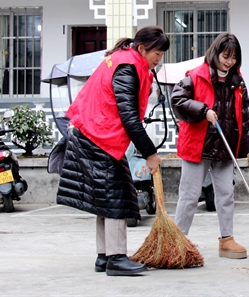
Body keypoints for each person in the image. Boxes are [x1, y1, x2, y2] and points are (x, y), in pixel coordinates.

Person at [57, 25, 170, 276]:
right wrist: (150, 154)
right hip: (97, 136)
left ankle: (104, 256)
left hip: (93, 133)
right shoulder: (127, 67)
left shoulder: (124, 60)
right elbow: (129, 117)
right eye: (157, 54)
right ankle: (116, 258)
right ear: (142, 48)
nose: (159, 59)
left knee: (105, 198)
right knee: (117, 197)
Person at [171, 33, 249, 259]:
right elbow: (177, 101)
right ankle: (178, 241)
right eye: (226, 56)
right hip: (198, 145)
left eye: (234, 58)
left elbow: (244, 114)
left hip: (225, 145)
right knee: (189, 195)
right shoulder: (195, 76)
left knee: (226, 194)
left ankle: (227, 240)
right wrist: (203, 111)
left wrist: (242, 147)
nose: (229, 62)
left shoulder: (237, 81)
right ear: (215, 53)